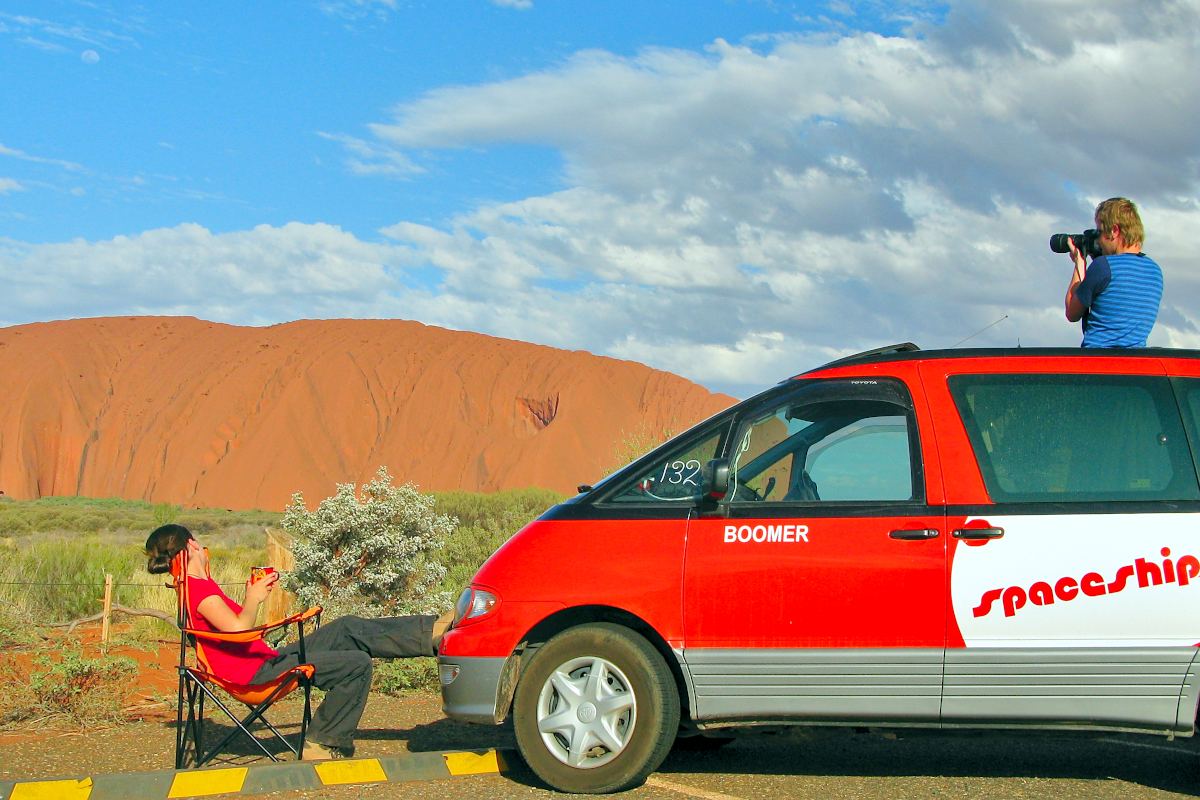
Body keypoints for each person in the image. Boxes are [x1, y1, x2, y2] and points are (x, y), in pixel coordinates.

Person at [145, 523, 450, 760]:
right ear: (192, 545)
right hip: (256, 675)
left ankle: (432, 632)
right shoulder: (199, 592)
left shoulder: (195, 586)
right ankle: (323, 742)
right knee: (356, 664)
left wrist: (254, 597)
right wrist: (253, 599)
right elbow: (238, 628)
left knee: (345, 627)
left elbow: (231, 632)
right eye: (197, 543)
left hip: (263, 661)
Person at [1064, 197, 1163, 347]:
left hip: (1097, 363)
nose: (1099, 240)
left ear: (1115, 230)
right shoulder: (1155, 271)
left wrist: (1079, 262)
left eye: (1100, 232)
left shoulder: (1103, 266)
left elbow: (1072, 313)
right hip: (1135, 366)